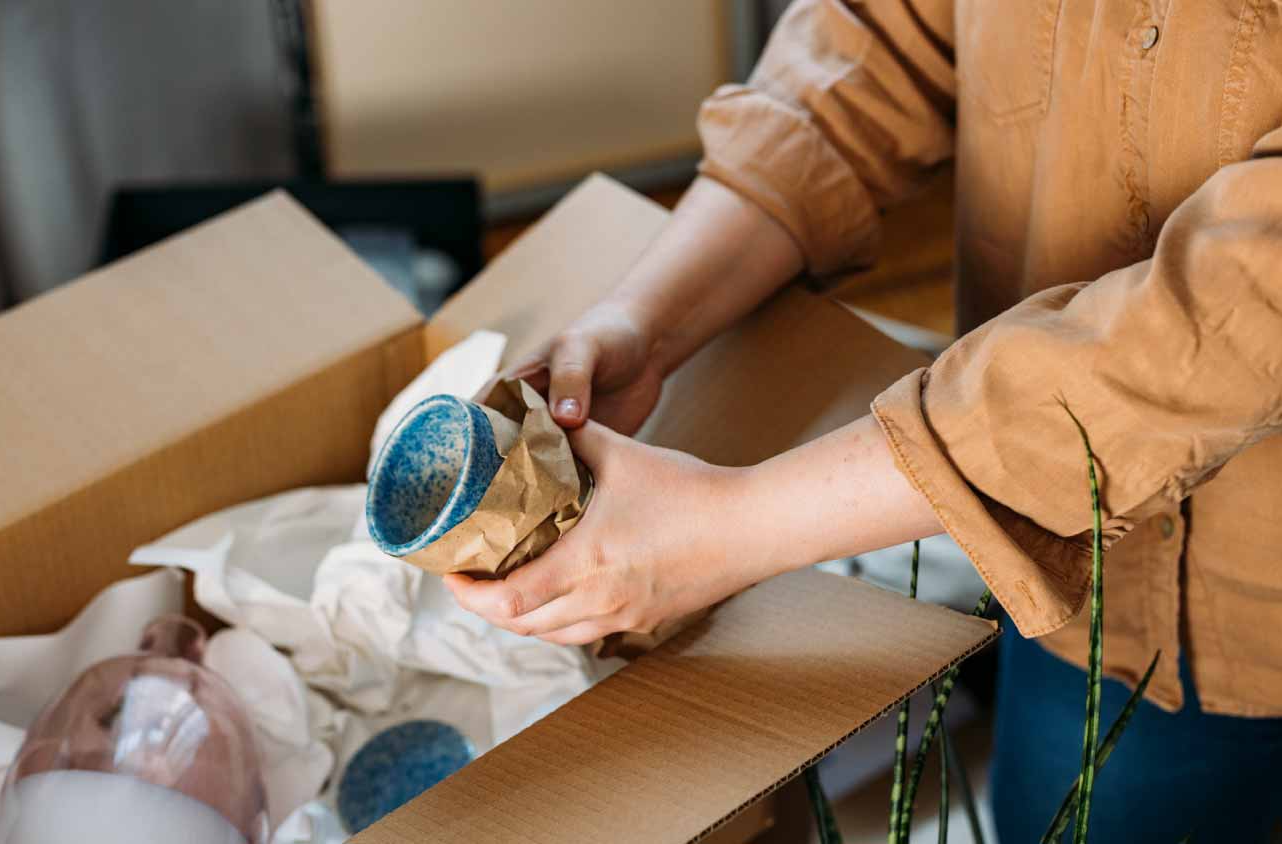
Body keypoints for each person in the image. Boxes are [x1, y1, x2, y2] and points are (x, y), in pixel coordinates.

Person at [442, 2, 1282, 841]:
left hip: (1247, 602)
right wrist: (646, 320)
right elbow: (876, 44)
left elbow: (1239, 311)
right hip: (1075, 578)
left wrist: (726, 528)